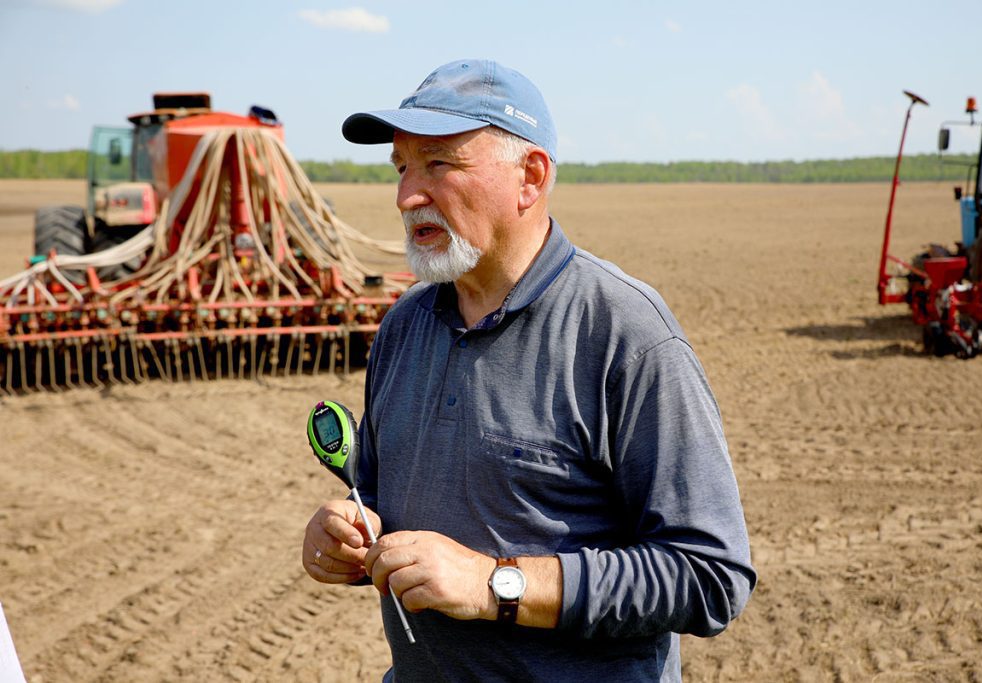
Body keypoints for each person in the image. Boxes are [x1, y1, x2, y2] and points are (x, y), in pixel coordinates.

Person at [302, 59, 756, 681]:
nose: (407, 196)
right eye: (401, 167)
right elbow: (386, 503)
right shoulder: (403, 328)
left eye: (439, 164)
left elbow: (709, 575)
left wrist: (496, 584)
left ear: (530, 177)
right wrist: (355, 539)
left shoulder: (624, 333)